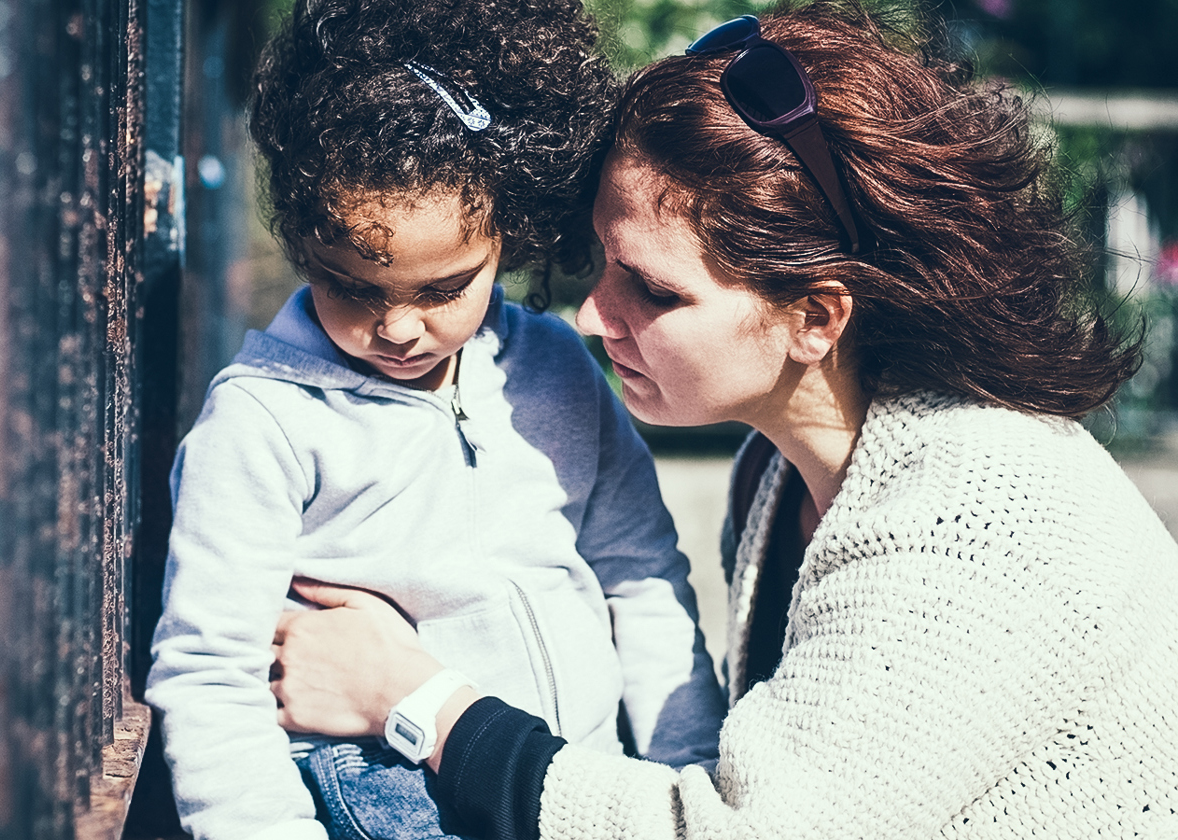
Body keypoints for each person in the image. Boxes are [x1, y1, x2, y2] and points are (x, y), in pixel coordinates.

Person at [268, 1, 1178, 837]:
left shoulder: (966, 529)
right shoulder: (783, 468)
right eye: (603, 263)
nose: (592, 314)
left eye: (656, 292)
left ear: (816, 319)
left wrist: (414, 697)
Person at [144, 1, 728, 838]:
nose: (398, 328)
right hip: (391, 803)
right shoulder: (260, 422)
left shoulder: (558, 369)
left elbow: (642, 580)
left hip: (573, 786)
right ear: (307, 244)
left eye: (444, 288)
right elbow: (209, 674)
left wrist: (687, 777)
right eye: (351, 285)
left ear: (511, 234)